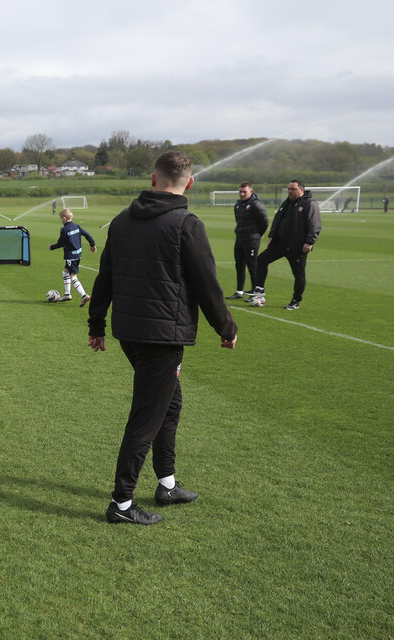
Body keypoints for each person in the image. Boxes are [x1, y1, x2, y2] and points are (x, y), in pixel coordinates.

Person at [87, 151, 237, 526]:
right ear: (190, 182)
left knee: (169, 406)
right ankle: (121, 504)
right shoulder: (187, 223)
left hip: (130, 333)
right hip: (162, 337)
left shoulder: (121, 221)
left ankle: (166, 484)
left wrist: (96, 325)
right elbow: (208, 285)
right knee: (146, 417)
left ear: (153, 179)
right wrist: (227, 328)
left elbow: (104, 277)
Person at [252, 180, 322, 310]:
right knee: (261, 260)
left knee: (298, 274)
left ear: (301, 190)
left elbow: (315, 224)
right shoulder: (287, 203)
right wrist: (272, 237)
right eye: (288, 189)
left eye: (293, 189)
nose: (289, 191)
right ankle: (259, 291)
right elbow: (277, 220)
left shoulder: (309, 204)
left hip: (297, 246)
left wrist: (309, 242)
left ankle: (296, 300)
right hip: (280, 244)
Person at [226, 182, 269, 299]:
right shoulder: (238, 204)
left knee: (252, 265)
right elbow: (238, 220)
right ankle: (239, 291)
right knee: (239, 265)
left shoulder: (256, 205)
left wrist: (259, 233)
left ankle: (255, 292)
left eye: (244, 191)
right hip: (240, 238)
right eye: (240, 191)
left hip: (251, 240)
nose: (242, 194)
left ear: (251, 192)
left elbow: (264, 221)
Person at [48, 208, 97, 305]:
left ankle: (84, 295)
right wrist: (92, 244)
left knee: (73, 276)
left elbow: (61, 243)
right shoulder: (77, 226)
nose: (61, 220)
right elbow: (87, 234)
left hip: (71, 256)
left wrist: (51, 247)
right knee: (65, 272)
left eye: (61, 218)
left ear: (65, 218)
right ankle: (67, 294)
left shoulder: (64, 230)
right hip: (78, 255)